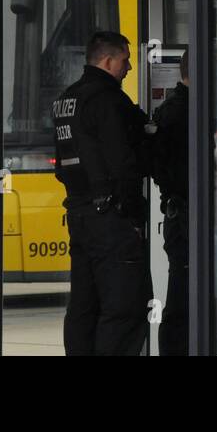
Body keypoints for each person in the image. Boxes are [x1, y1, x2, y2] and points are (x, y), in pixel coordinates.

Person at [52, 31, 152, 356]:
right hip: (111, 219)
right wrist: (136, 216)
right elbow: (123, 163)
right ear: (108, 61)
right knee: (125, 307)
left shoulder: (67, 99)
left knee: (84, 308)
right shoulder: (107, 100)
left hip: (80, 216)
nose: (130, 68)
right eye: (125, 60)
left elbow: (63, 163)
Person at [150, 49, 189, 356]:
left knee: (180, 292)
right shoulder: (185, 111)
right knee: (183, 298)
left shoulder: (168, 110)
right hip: (187, 215)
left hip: (177, 212)